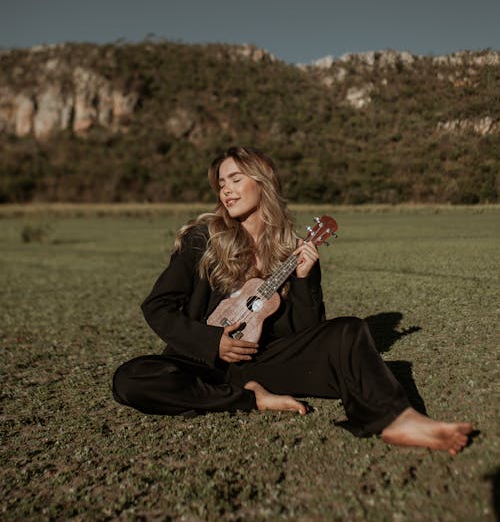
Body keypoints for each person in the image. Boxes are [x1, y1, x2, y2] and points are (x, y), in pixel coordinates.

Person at [113, 146, 472, 455]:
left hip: (262, 359)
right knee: (131, 379)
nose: (226, 191)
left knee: (349, 331)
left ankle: (398, 419)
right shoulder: (202, 238)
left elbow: (307, 332)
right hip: (200, 361)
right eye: (221, 183)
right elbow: (157, 306)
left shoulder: (289, 251)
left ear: (262, 182)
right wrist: (212, 343)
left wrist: (305, 280)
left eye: (236, 179)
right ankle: (249, 398)